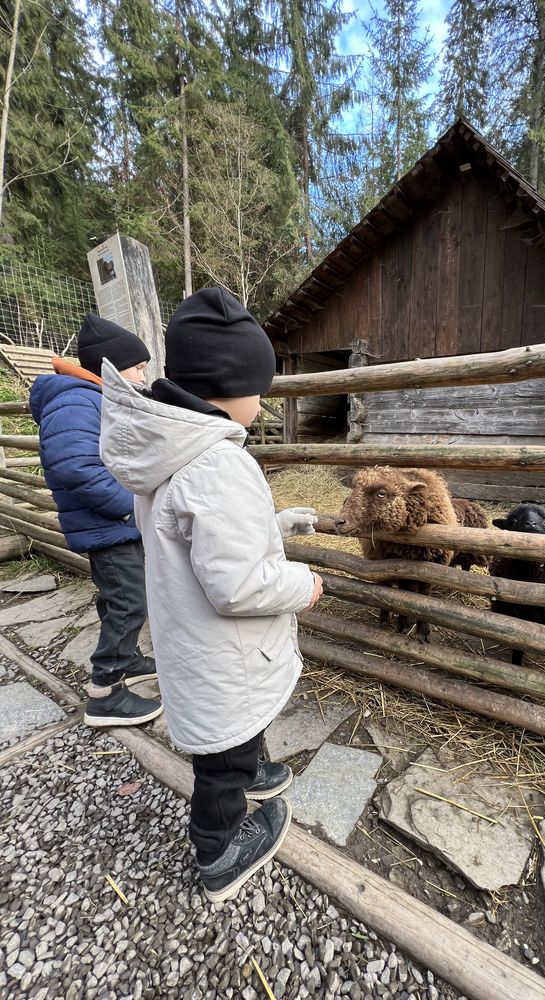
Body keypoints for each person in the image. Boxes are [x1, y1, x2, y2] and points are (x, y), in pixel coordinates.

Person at [99, 287, 323, 902]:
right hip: (223, 650)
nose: (263, 401)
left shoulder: (171, 453)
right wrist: (304, 586)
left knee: (233, 733)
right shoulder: (218, 464)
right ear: (230, 386)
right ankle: (218, 849)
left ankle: (248, 770)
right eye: (259, 389)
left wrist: (278, 525)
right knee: (220, 757)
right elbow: (236, 582)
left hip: (194, 643)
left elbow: (197, 538)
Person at [29, 316, 163, 729]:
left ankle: (130, 660)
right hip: (108, 523)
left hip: (111, 522)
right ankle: (105, 693)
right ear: (110, 366)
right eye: (137, 367)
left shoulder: (92, 397)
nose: (143, 374)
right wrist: (129, 507)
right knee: (129, 601)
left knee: (119, 596)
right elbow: (76, 468)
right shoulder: (77, 400)